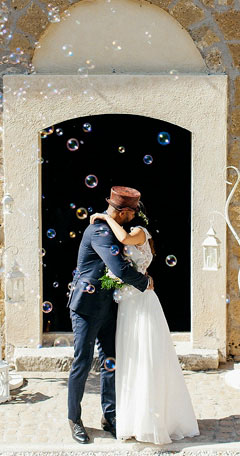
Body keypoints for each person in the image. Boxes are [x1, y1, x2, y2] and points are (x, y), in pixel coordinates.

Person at [91, 207, 200, 445]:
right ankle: (131, 417)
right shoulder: (132, 232)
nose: (123, 217)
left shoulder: (140, 231)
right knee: (130, 357)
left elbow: (124, 239)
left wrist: (106, 217)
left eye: (125, 214)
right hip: (128, 300)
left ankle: (150, 420)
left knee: (144, 355)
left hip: (140, 299)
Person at [66, 186, 152, 444]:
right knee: (82, 362)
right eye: (132, 213)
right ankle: (74, 418)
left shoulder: (115, 229)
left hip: (108, 305)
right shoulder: (99, 232)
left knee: (110, 361)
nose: (134, 217)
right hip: (86, 307)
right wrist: (144, 282)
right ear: (124, 212)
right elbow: (118, 268)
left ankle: (110, 416)